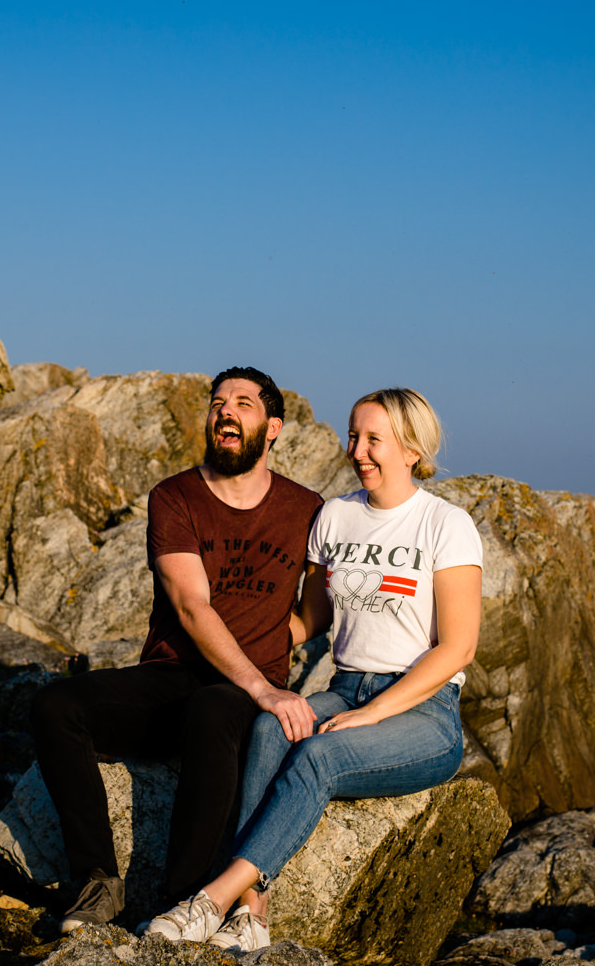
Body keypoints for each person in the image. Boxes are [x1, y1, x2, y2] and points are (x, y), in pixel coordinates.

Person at [144, 387, 483, 952]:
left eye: (375, 439)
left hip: (425, 711)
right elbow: (307, 620)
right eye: (353, 436)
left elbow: (458, 649)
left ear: (411, 449)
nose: (359, 450)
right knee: (272, 728)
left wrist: (374, 714)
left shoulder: (445, 525)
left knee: (318, 754)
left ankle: (212, 900)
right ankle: (255, 916)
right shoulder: (336, 516)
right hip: (345, 687)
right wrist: (223, 644)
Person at [30, 367, 325, 933]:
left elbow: (319, 611)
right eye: (218, 403)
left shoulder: (307, 509)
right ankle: (96, 883)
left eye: (243, 403)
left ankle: (185, 900)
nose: (226, 412)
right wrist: (263, 684)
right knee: (55, 705)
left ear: (274, 427)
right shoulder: (176, 496)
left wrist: (269, 645)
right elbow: (191, 606)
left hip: (234, 699)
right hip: (172, 675)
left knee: (213, 710)